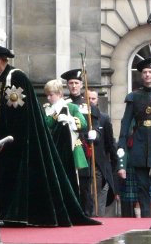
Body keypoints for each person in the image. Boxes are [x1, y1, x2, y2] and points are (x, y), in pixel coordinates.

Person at [0, 28, 99, 226]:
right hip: (4, 141)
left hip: (17, 141)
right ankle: (5, 213)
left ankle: (15, 215)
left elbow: (15, 114)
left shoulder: (15, 78)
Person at [117, 57, 151, 218]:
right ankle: (145, 219)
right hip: (139, 142)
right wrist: (122, 144)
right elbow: (126, 122)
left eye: (150, 72)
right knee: (142, 186)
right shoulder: (134, 96)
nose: (147, 75)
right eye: (144, 72)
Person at [43, 79, 88, 198]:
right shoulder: (49, 109)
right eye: (47, 95)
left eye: (51, 95)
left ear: (59, 94)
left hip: (72, 148)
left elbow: (83, 124)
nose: (48, 98)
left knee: (74, 181)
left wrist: (70, 119)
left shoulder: (71, 107)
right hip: (56, 148)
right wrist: (55, 114)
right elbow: (48, 124)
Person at [60, 69, 94, 216]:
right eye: (71, 83)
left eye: (76, 83)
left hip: (84, 145)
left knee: (84, 180)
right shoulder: (64, 104)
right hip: (68, 145)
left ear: (81, 85)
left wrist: (95, 134)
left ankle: (86, 211)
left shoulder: (88, 104)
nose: (74, 86)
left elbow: (97, 124)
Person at [87, 89, 118, 217]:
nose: (91, 101)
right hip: (84, 161)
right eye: (88, 98)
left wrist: (114, 162)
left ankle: (97, 216)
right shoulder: (79, 114)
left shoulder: (104, 118)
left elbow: (109, 142)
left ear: (97, 100)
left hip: (99, 163)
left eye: (93, 98)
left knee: (98, 193)